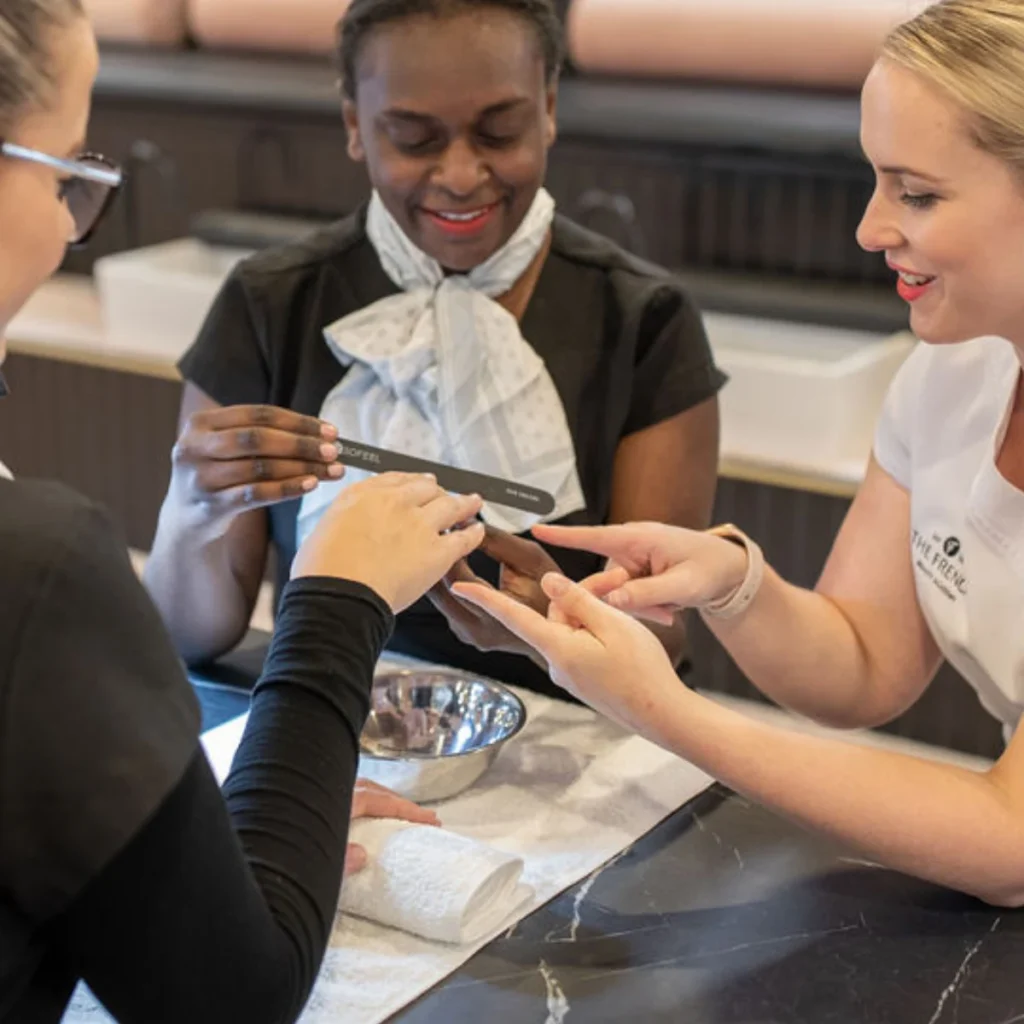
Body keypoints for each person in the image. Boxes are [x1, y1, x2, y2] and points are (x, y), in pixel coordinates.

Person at [453, 0, 1024, 908]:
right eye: (876, 183)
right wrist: (730, 583)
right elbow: (867, 663)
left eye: (916, 193)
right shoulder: (952, 375)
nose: (871, 229)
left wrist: (666, 714)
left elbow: (1009, 836)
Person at [0, 3, 486, 1020]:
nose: (63, 224)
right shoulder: (33, 568)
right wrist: (337, 599)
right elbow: (236, 995)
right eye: (61, 179)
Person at [142, 0, 726, 699]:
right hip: (336, 708)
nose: (459, 174)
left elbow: (662, 635)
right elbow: (194, 637)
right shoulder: (269, 305)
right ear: (356, 126)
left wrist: (552, 624)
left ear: (547, 109)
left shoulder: (645, 321)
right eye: (415, 140)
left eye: (500, 131)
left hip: (586, 717)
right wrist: (191, 515)